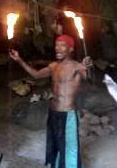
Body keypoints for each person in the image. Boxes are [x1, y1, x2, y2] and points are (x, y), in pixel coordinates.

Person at [9, 35, 92, 168]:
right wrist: (19, 60)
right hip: (54, 112)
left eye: (62, 45)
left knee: (70, 147)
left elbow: (89, 78)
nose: (57, 48)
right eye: (56, 45)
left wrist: (88, 66)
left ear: (70, 49)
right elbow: (36, 75)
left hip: (68, 114)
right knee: (56, 144)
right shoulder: (54, 66)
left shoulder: (78, 67)